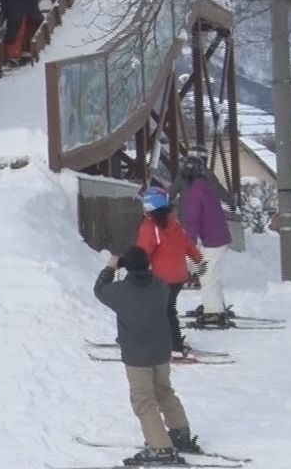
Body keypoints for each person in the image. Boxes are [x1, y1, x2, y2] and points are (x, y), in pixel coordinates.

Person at [94, 246, 202, 466]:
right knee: (164, 390)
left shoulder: (120, 292)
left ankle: (160, 448)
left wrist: (110, 268)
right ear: (148, 264)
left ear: (127, 267)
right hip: (161, 349)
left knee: (143, 399)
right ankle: (180, 434)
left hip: (137, 354)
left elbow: (99, 289)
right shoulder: (160, 286)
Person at [137, 187, 203, 356]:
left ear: (150, 206)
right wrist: (198, 259)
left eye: (145, 205)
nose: (143, 208)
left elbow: (142, 253)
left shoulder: (150, 227)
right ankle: (170, 341)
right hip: (178, 277)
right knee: (166, 309)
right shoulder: (174, 223)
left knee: (160, 310)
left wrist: (133, 267)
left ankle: (172, 346)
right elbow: (188, 244)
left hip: (161, 278)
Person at [178, 153, 233, 328]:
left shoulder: (196, 191)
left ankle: (214, 313)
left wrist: (188, 243)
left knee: (206, 274)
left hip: (214, 239)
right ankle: (216, 306)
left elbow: (192, 220)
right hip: (216, 237)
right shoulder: (203, 186)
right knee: (209, 273)